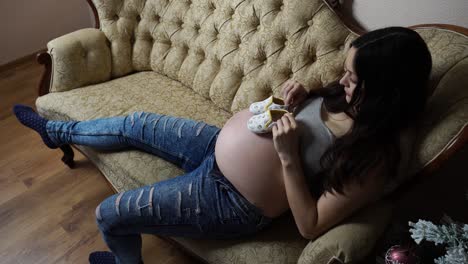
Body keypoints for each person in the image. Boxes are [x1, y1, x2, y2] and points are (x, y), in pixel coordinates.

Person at [13, 26, 432, 264]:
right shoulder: (342, 96)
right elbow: (289, 117)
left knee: (109, 215)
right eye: (345, 71)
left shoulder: (374, 158)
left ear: (385, 94)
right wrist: (292, 100)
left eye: (353, 79)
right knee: (134, 122)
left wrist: (288, 159)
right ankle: (57, 133)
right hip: (215, 145)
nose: (342, 81)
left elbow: (311, 226)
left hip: (233, 201)